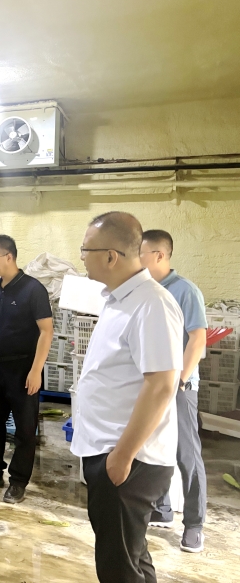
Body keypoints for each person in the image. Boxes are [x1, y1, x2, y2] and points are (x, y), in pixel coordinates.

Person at [71, 212, 183, 583]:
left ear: (110, 256)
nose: (81, 256)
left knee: (117, 568)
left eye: (86, 249)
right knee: (131, 556)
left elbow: (161, 385)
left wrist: (122, 456)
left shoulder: (151, 304)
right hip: (109, 449)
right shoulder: (119, 299)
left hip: (129, 458)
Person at [0, 235, 53, 504]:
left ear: (9, 257)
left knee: (25, 430)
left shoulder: (33, 289)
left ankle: (18, 482)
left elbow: (46, 331)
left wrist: (36, 370)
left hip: (23, 370)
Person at [140, 229, 208, 553]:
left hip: (179, 386)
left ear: (159, 255)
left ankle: (194, 525)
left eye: (140, 254)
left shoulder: (185, 291)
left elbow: (198, 339)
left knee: (186, 455)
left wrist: (180, 380)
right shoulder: (145, 290)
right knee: (155, 447)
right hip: (151, 384)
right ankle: (162, 508)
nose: (136, 260)